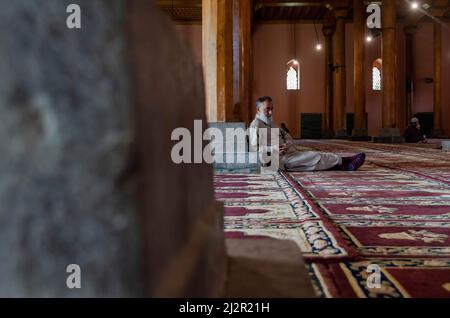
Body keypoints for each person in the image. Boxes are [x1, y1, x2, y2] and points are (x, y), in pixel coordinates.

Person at [249, 96, 366, 172]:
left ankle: (346, 165)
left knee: (312, 161)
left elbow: (286, 134)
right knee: (313, 157)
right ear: (258, 110)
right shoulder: (256, 125)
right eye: (267, 109)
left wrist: (288, 142)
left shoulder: (272, 123)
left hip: (289, 153)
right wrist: (272, 148)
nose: (270, 112)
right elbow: (254, 150)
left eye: (272, 109)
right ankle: (345, 160)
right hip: (278, 159)